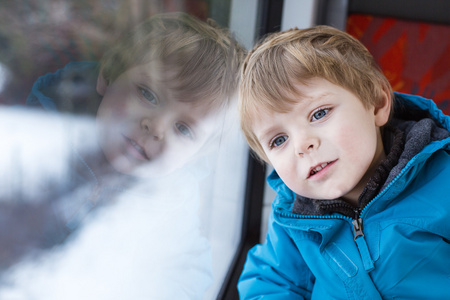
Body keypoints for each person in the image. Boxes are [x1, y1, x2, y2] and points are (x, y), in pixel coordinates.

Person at [0, 12, 244, 298]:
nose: (156, 127)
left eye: (183, 128)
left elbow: (186, 270)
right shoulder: (41, 139)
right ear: (108, 75)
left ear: (197, 154)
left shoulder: (176, 199)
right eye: (148, 95)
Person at [237, 25, 450, 299]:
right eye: (279, 140)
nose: (303, 145)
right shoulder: (294, 221)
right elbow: (270, 283)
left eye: (319, 114)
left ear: (376, 103)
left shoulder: (441, 180)